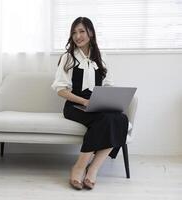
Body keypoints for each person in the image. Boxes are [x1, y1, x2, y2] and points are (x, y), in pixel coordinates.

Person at [51, 17, 129, 190]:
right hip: (74, 105)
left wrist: (109, 101)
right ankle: (79, 167)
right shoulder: (68, 58)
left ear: (91, 33)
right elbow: (61, 90)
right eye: (74, 32)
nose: (77, 36)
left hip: (97, 105)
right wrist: (85, 101)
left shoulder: (101, 57)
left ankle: (93, 168)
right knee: (105, 120)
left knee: (120, 119)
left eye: (82, 31)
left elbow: (109, 85)